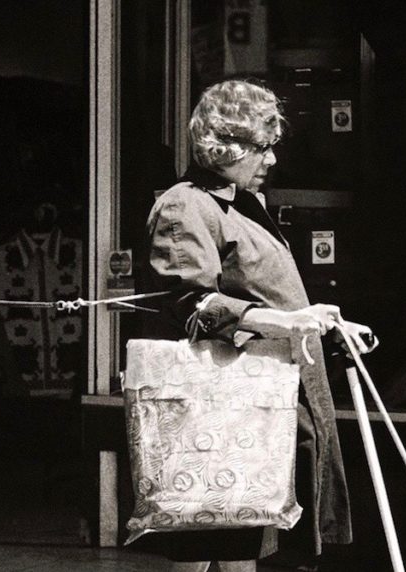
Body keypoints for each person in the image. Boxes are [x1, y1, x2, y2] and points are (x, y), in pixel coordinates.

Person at [141, 79, 377, 572]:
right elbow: (193, 303)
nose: (271, 159)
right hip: (226, 405)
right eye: (261, 148)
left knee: (248, 541)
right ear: (224, 146)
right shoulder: (186, 204)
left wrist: (323, 324)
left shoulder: (245, 203)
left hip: (269, 397)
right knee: (214, 538)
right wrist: (289, 321)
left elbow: (264, 292)